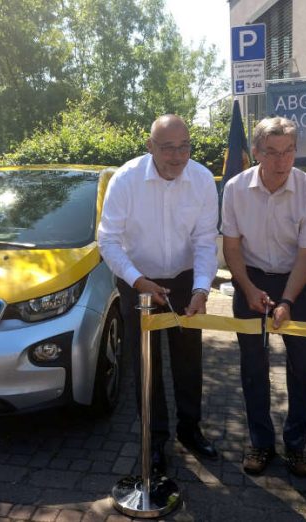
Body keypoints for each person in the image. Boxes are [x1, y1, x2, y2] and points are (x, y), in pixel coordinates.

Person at [97, 114, 219, 474]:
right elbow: (107, 240)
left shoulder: (201, 180)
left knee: (188, 360)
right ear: (150, 146)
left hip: (183, 282)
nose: (178, 156)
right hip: (138, 281)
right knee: (146, 365)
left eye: (185, 147)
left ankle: (189, 429)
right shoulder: (126, 180)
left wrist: (200, 288)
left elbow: (204, 241)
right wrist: (137, 280)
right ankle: (154, 439)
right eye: (168, 148)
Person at [221, 117, 306, 476]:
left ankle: (296, 446)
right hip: (250, 278)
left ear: (295, 151)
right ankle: (260, 442)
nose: (282, 162)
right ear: (256, 153)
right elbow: (231, 247)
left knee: (302, 368)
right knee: (253, 368)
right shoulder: (235, 188)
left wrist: (285, 301)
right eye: (272, 153)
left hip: (295, 282)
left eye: (289, 152)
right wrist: (248, 289)